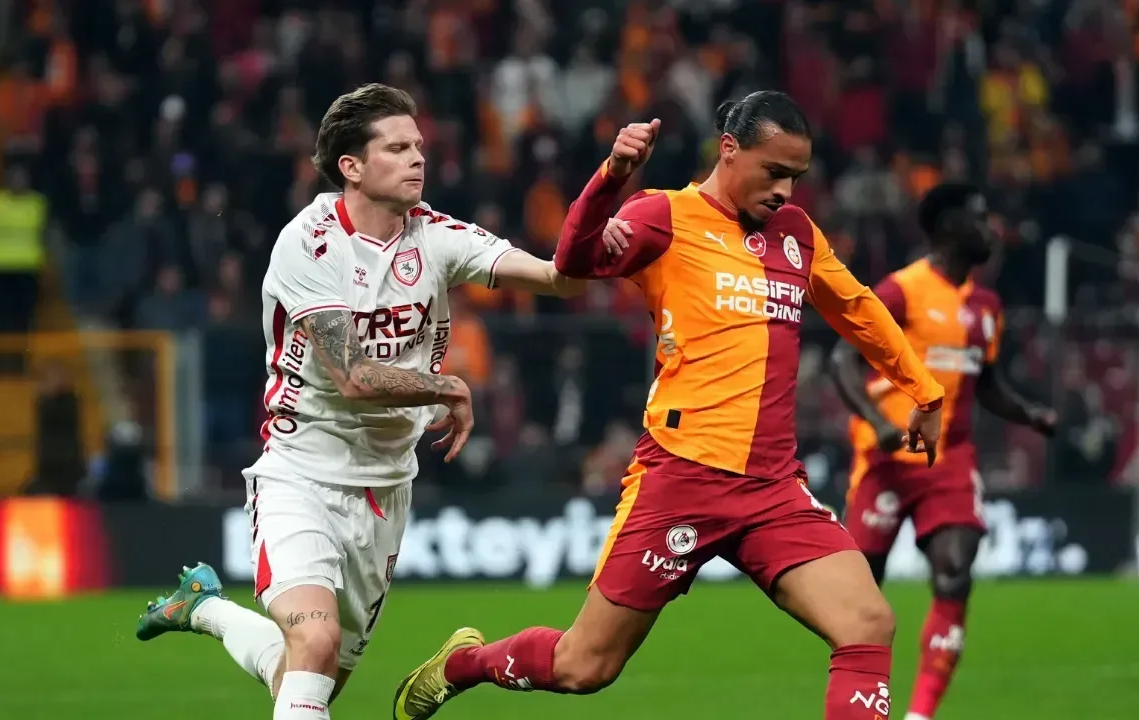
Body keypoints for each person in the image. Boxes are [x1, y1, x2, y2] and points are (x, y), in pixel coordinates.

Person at [393, 91, 947, 720]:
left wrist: (924, 390)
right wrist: (612, 178)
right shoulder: (663, 216)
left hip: (772, 488)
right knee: (584, 666)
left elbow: (858, 308)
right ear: (729, 150)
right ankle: (465, 664)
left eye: (796, 176)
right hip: (682, 479)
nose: (785, 191)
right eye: (774, 172)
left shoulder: (796, 233)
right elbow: (572, 263)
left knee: (868, 621)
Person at [133, 83, 583, 720]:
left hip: (385, 489)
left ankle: (205, 608)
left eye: (418, 146)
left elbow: (558, 278)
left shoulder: (436, 236)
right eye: (396, 148)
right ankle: (213, 609)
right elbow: (352, 376)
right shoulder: (308, 243)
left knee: (307, 675)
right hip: (301, 475)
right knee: (314, 643)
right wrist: (446, 386)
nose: (417, 158)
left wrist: (607, 197)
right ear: (352, 166)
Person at [828, 183, 1057, 720]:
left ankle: (920, 715)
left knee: (955, 572)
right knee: (860, 597)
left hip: (951, 462)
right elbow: (842, 360)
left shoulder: (987, 306)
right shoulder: (901, 291)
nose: (991, 229)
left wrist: (1028, 413)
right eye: (979, 217)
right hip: (886, 462)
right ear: (948, 226)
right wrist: (877, 423)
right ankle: (861, 701)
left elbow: (987, 383)